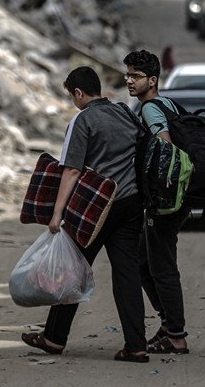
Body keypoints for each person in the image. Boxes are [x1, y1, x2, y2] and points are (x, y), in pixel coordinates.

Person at [21, 66, 148, 363]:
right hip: (130, 203)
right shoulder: (123, 112)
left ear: (78, 93)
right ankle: (136, 345)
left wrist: (57, 214)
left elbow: (73, 169)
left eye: (72, 96)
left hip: (97, 208)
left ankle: (53, 338)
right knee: (127, 275)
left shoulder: (83, 119)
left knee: (72, 269)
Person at [124, 50, 191, 356]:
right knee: (142, 260)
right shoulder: (169, 104)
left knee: (162, 266)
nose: (129, 81)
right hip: (175, 197)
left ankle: (175, 334)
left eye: (135, 76)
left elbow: (165, 147)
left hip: (164, 199)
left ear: (152, 80)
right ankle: (168, 324)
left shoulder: (151, 108)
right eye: (128, 75)